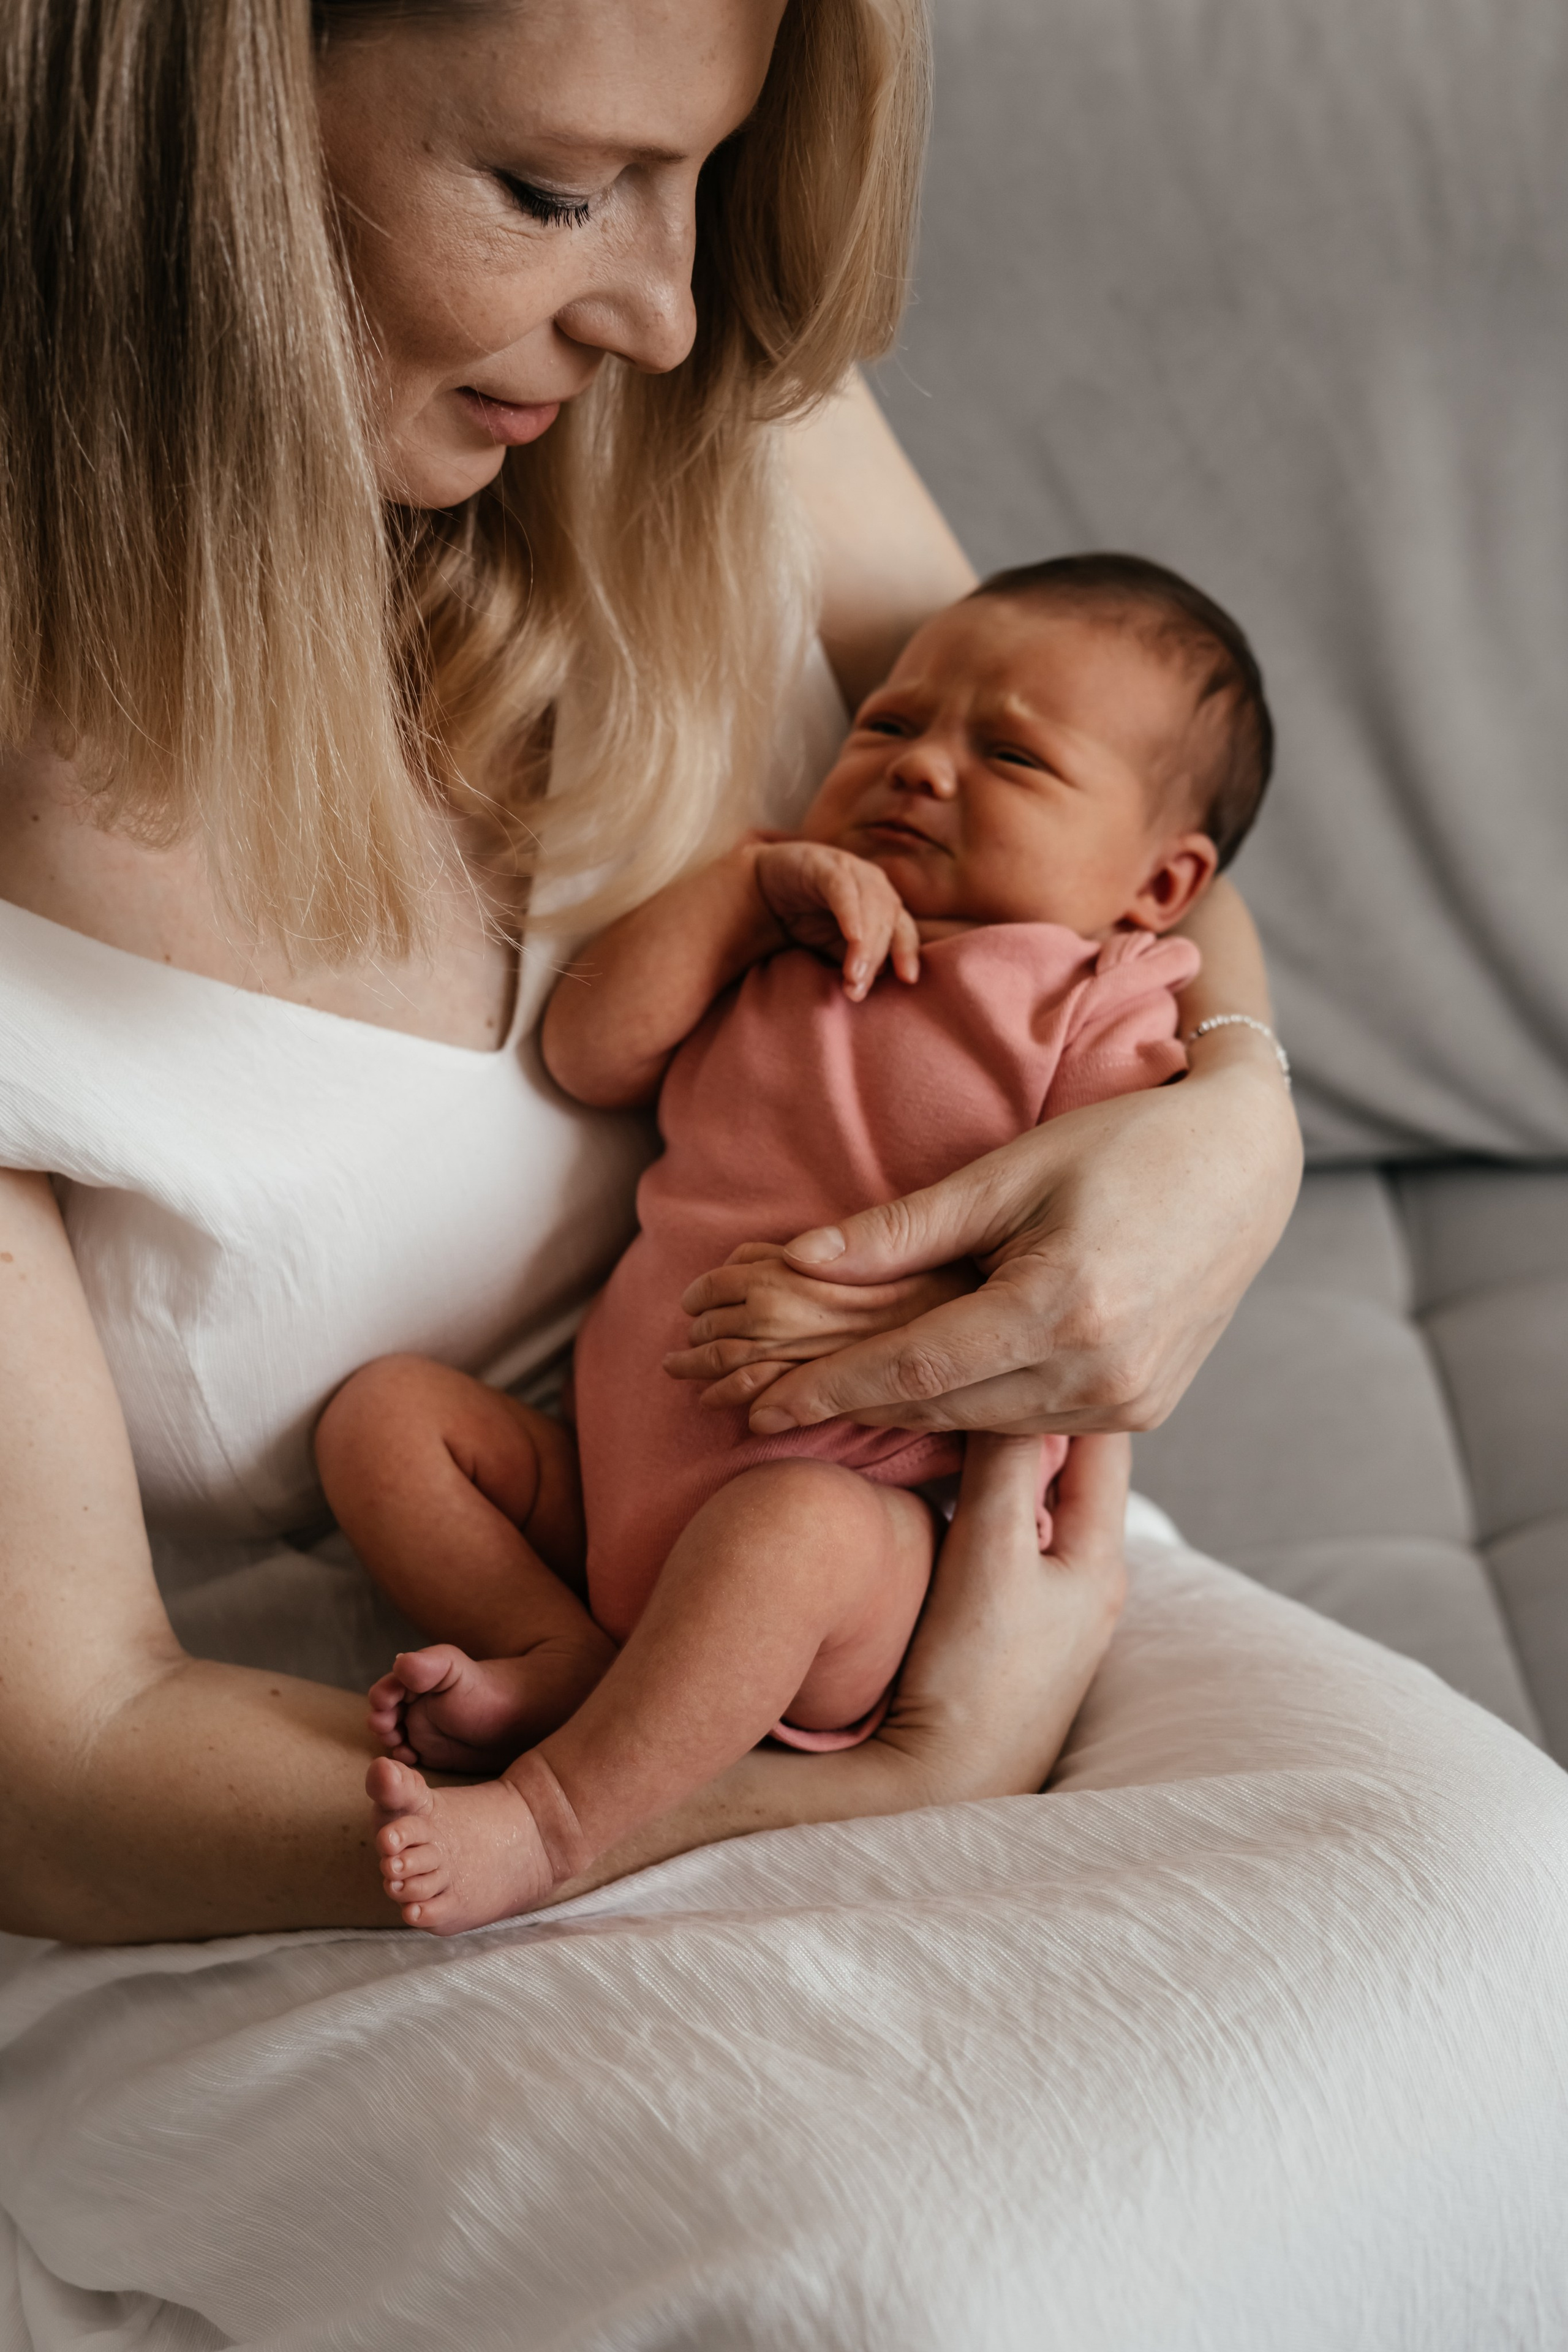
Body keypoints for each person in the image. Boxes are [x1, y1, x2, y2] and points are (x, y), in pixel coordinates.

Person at [0, 0, 1300, 1949]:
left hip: (972, 1597)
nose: (673, 318)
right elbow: (71, 1786)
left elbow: (1118, 817)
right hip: (331, 1825)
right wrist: (874, 1793)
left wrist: (1241, 1119)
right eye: (554, 190)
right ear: (189, 124)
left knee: (1496, 1930)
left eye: (707, 175)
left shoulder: (703, 404)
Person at [315, 553, 1275, 1932]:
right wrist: (748, 893)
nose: (919, 768)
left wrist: (891, 1318)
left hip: (853, 1545)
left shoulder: (1092, 1003)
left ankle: (553, 1813)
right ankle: (567, 1656)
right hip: (613, 1482)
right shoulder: (790, 925)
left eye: (1009, 753)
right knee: (385, 1420)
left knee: (783, 1533)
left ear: (1158, 881)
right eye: (888, 724)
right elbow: (589, 1052)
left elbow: (1081, 1276)